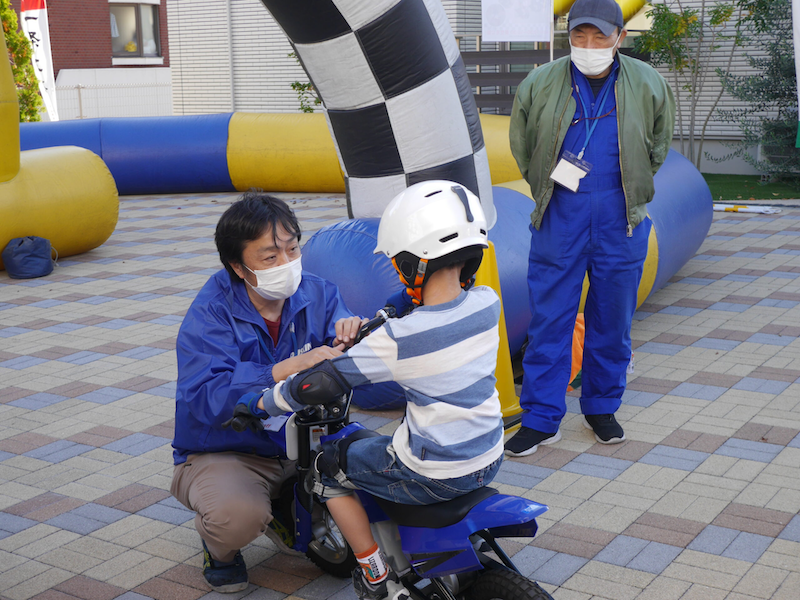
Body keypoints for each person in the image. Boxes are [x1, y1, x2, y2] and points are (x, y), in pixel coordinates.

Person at [229, 181, 505, 600]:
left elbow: (323, 381)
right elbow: (418, 303)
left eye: (398, 264)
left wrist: (263, 401)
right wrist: (389, 310)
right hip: (489, 455)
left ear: (409, 264)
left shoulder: (399, 340)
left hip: (433, 471)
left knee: (327, 466)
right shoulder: (487, 302)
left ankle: (376, 573)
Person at [170, 192, 372, 593]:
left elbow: (344, 331)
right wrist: (280, 370)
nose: (287, 264)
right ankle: (220, 549)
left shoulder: (318, 292)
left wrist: (353, 331)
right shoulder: (211, 312)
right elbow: (206, 396)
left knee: (379, 470)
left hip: (308, 437)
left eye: (292, 249)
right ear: (238, 266)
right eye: (270, 257)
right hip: (230, 448)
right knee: (235, 517)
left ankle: (286, 506)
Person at [505, 0, 675, 456]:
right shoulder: (540, 82)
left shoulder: (648, 82)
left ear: (620, 37)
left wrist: (631, 188)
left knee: (612, 320)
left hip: (622, 217)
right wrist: (548, 187)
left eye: (600, 36)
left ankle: (601, 407)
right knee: (549, 320)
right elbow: (522, 145)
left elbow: (658, 145)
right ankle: (541, 418)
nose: (588, 44)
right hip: (561, 214)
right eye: (579, 34)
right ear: (568, 35)